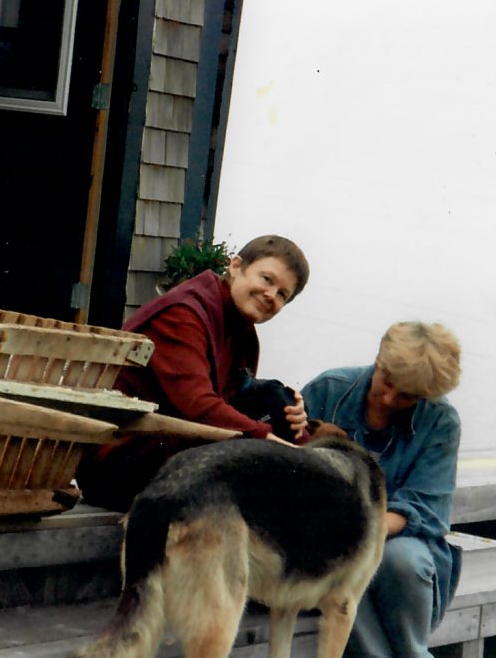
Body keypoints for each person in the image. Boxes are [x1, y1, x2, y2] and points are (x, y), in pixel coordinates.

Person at [76, 234, 311, 512]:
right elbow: (197, 405)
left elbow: (236, 400)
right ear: (236, 266)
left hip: (169, 452)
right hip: (115, 461)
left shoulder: (240, 330)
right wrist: (271, 445)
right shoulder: (184, 313)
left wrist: (295, 417)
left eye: (282, 293)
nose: (271, 295)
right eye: (267, 279)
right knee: (262, 459)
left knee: (275, 401)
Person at [301, 322, 463, 658]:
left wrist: (361, 531)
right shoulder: (327, 391)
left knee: (401, 560)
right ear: (378, 360)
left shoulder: (442, 421)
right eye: (386, 381)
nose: (389, 398)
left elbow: (424, 507)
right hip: (324, 539)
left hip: (398, 542)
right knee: (340, 559)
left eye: (406, 396)